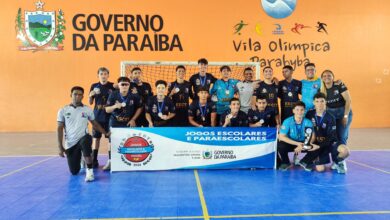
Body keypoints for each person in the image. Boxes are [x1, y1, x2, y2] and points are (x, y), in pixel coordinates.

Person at [57, 86, 109, 182]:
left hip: (84, 138)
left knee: (86, 141)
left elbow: (95, 124)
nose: (77, 96)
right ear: (71, 95)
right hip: (71, 143)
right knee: (74, 171)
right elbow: (59, 128)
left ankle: (90, 172)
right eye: (75, 94)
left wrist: (106, 133)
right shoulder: (63, 110)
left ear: (83, 96)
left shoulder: (87, 109)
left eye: (80, 94)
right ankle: (80, 158)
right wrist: (60, 146)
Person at [103, 77, 143, 170]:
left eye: (126, 84)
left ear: (129, 85)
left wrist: (133, 119)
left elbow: (140, 107)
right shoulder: (113, 94)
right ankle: (110, 161)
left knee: (130, 141)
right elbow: (107, 109)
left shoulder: (134, 95)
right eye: (122, 84)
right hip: (115, 121)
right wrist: (115, 106)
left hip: (128, 122)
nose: (124, 86)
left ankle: (129, 161)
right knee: (111, 141)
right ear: (119, 85)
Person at [306, 92, 350, 173]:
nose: (320, 104)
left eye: (322, 101)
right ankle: (313, 159)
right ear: (313, 103)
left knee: (345, 151)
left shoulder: (331, 116)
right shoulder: (309, 114)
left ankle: (337, 162)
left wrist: (319, 146)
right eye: (317, 101)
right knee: (320, 170)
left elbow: (331, 136)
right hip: (316, 143)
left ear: (325, 102)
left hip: (329, 143)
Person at [277, 101, 320, 171]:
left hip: (304, 143)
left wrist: (303, 145)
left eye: (302, 110)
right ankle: (285, 162)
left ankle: (304, 162)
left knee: (317, 146)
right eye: (297, 110)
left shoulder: (308, 122)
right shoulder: (287, 121)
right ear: (293, 111)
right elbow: (281, 136)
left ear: (304, 111)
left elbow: (312, 137)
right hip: (292, 143)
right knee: (280, 144)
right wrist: (297, 144)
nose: (299, 112)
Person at [88, 67, 114, 168]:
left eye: (105, 74)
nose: (103, 76)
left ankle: (111, 160)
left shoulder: (112, 86)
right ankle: (94, 159)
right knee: (96, 138)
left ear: (108, 75)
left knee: (110, 138)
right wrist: (91, 95)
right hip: (97, 116)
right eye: (101, 74)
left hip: (109, 117)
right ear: (98, 75)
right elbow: (90, 102)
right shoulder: (94, 86)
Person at [320, 70, 353, 145]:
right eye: (324, 76)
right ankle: (335, 153)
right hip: (331, 113)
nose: (327, 77)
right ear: (321, 79)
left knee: (342, 136)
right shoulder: (321, 89)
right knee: (332, 135)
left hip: (343, 112)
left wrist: (345, 116)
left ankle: (341, 156)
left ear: (333, 77)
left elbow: (348, 100)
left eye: (329, 75)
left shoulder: (339, 85)